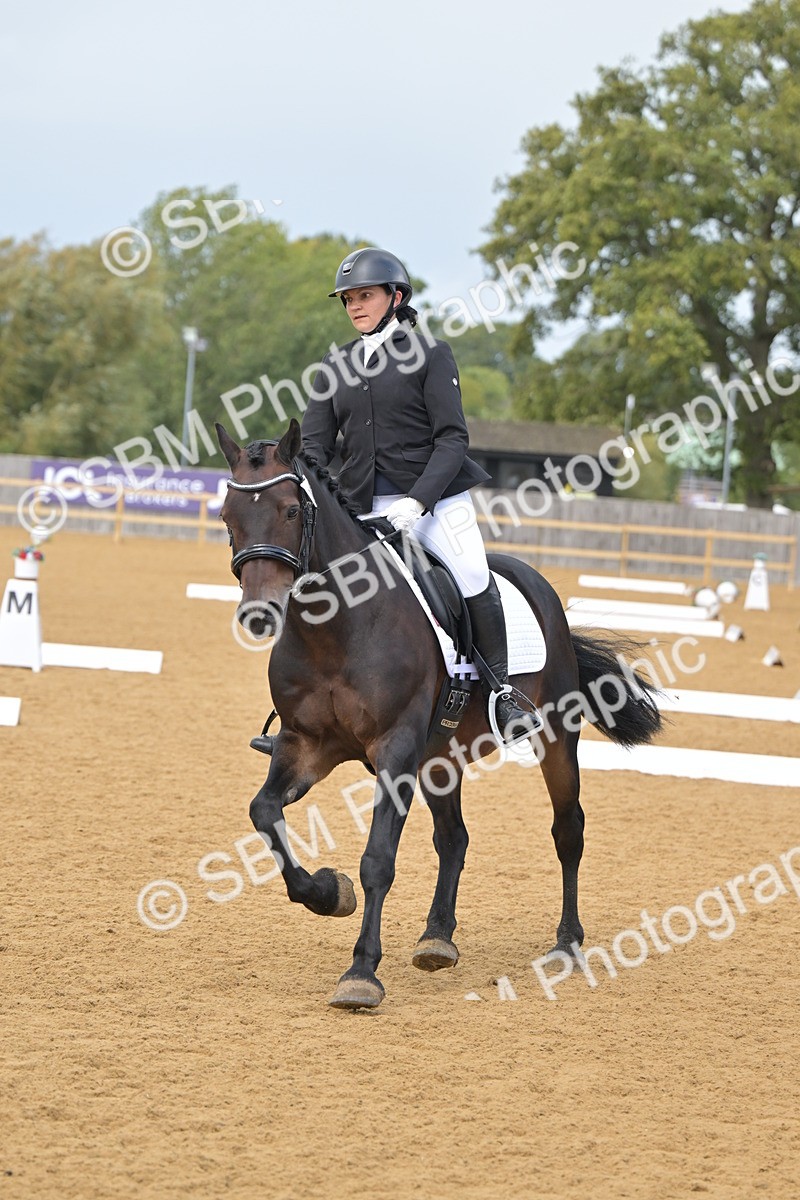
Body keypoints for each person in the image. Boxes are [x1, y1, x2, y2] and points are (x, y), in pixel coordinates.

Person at [301, 246, 541, 745]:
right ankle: (301, 701)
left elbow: (452, 439)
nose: (354, 306)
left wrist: (417, 502)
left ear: (396, 297)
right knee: (312, 582)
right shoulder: (335, 364)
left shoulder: (430, 354)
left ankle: (502, 694)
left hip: (433, 501)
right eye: (348, 299)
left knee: (471, 571)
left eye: (365, 296)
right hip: (358, 507)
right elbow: (313, 447)